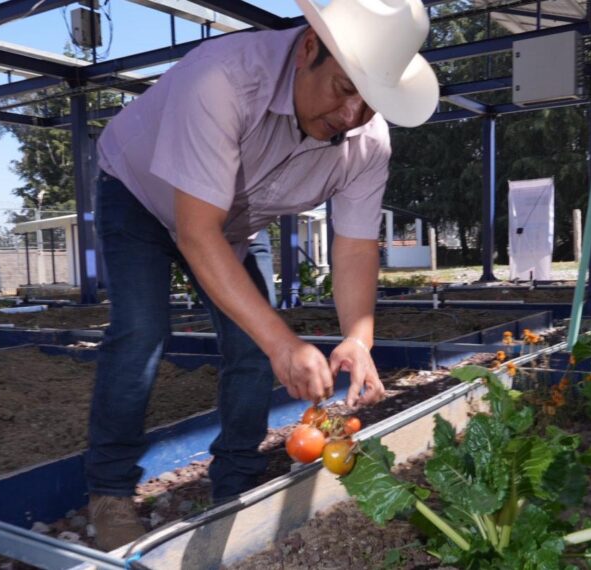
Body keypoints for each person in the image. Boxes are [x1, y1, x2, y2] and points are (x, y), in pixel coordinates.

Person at [83, 0, 438, 551]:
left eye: (370, 103)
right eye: (344, 89)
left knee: (250, 350)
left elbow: (354, 246)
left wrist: (358, 339)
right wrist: (283, 342)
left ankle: (234, 480)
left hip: (233, 222)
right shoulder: (222, 79)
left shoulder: (368, 142)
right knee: (142, 333)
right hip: (138, 194)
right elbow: (196, 231)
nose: (350, 115)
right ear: (308, 49)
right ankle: (109, 490)